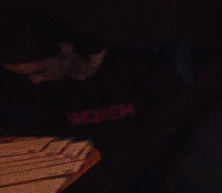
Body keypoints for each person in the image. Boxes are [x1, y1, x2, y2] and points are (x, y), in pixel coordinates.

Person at [0, 11, 184, 152]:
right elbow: (51, 140)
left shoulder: (134, 66)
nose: (35, 80)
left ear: (64, 48)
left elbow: (175, 121)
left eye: (40, 71)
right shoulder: (44, 90)